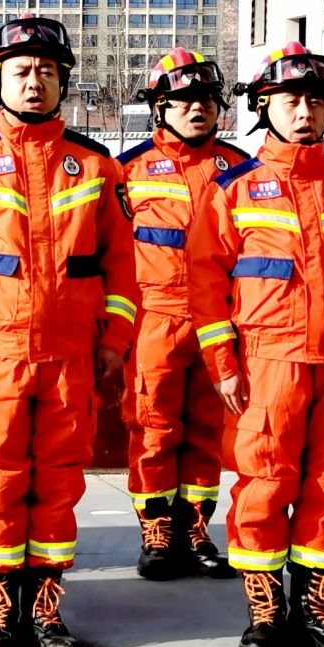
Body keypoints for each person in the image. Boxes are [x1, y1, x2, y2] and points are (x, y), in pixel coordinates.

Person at [0, 16, 138, 647]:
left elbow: (121, 262)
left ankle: (45, 609)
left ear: (63, 82)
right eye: (21, 71)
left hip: (71, 354)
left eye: (46, 71)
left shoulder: (95, 165)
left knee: (57, 486)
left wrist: (115, 338)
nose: (34, 82)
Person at [188, 43, 324, 647]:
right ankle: (265, 613)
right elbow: (205, 288)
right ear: (265, 107)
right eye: (290, 101)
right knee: (263, 484)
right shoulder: (232, 189)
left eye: (316, 101)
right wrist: (224, 366)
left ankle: (315, 610)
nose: (305, 112)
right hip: (265, 364)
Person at [117, 50, 247, 582]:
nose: (197, 109)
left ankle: (194, 529)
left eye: (206, 100)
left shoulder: (242, 169)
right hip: (155, 320)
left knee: (208, 429)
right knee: (153, 427)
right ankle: (156, 531)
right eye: (184, 100)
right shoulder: (128, 170)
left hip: (222, 322)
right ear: (160, 107)